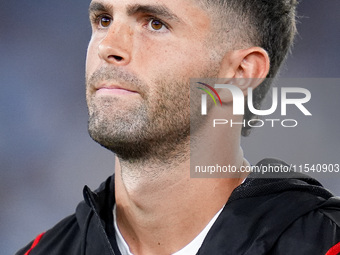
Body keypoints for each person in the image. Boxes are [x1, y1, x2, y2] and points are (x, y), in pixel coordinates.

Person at [17, 0, 340, 254]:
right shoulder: (41, 251)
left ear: (241, 72)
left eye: (155, 23)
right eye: (104, 20)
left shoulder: (325, 243)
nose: (107, 47)